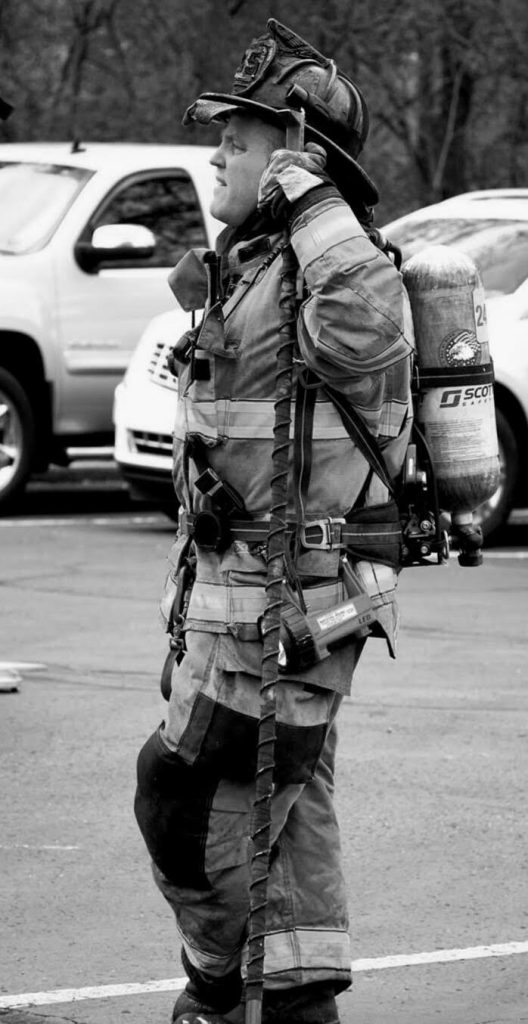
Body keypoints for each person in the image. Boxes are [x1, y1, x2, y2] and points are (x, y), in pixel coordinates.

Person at [134, 19, 414, 1024]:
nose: (218, 153)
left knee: (182, 807)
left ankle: (217, 990)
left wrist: (314, 200)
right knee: (282, 835)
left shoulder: (342, 266)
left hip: (289, 617)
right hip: (232, 611)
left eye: (240, 138)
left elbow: (369, 330)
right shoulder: (260, 264)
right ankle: (297, 1008)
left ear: (296, 154)